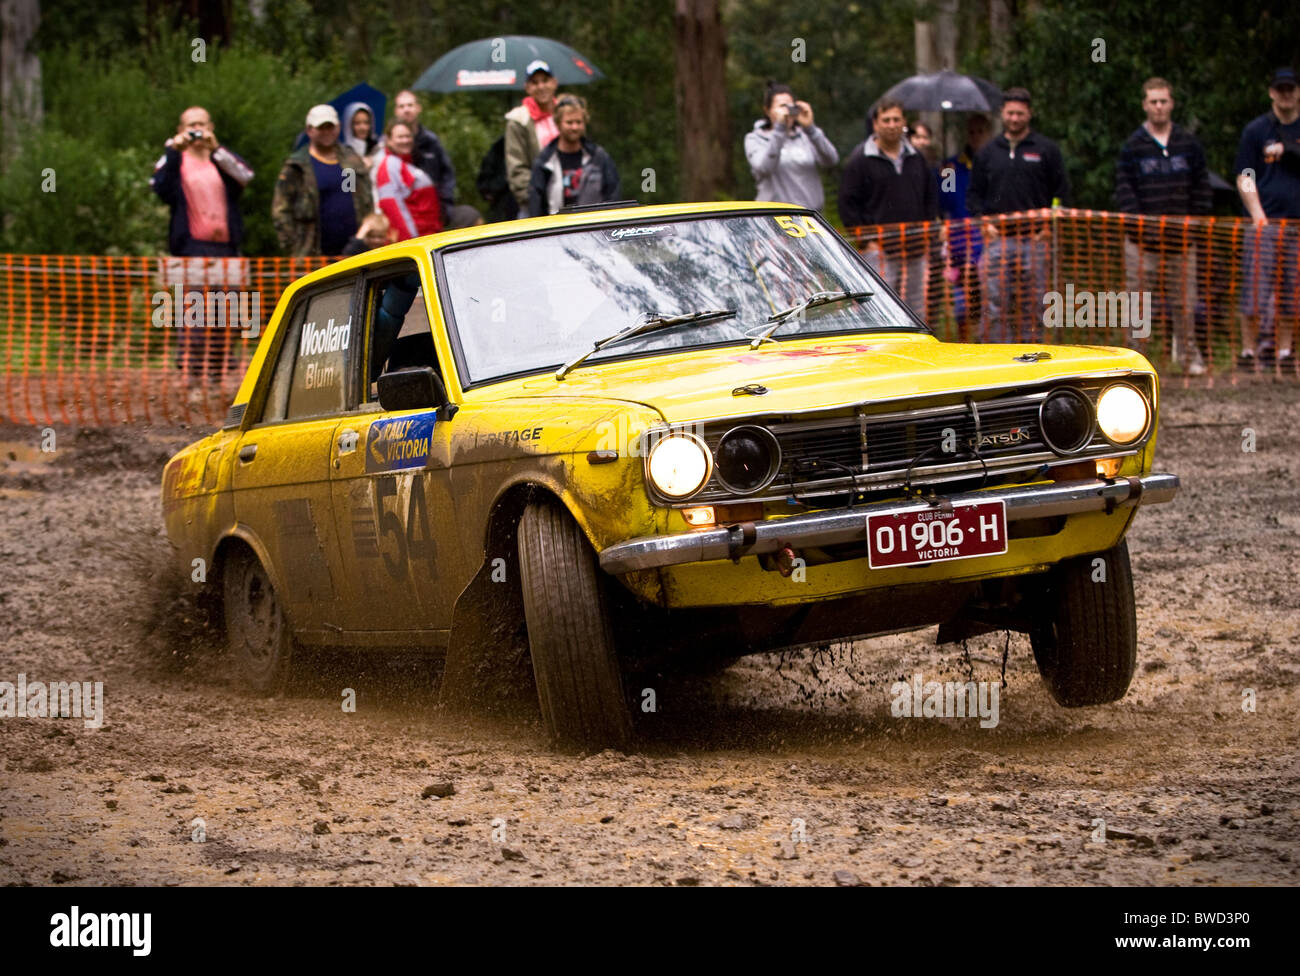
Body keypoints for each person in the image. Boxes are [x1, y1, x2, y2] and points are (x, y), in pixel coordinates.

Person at [1114, 77, 1213, 374]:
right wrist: (1141, 229)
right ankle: (1136, 361)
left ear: (1171, 104)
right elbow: (1124, 190)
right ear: (1145, 105)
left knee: (1185, 303)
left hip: (1182, 243)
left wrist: (1193, 226)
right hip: (1142, 245)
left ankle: (1188, 359)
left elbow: (1202, 188)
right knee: (1138, 305)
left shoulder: (1189, 144)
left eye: (1163, 101)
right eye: (1153, 101)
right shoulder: (1133, 146)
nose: (1159, 107)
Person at [150, 105, 254, 380]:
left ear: (211, 127)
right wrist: (174, 149)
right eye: (191, 125)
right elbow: (159, 186)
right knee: (195, 315)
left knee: (225, 316)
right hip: (191, 247)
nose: (197, 130)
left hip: (226, 248)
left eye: (202, 125)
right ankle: (192, 377)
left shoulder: (221, 159)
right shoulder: (174, 160)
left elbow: (245, 176)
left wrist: (216, 148)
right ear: (180, 130)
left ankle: (217, 376)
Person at [967, 87, 1069, 342]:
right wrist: (984, 224)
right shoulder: (987, 153)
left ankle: (1032, 358)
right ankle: (996, 359)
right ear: (1002, 113)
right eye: (1010, 113)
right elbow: (973, 195)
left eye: (1020, 114)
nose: (1014, 118)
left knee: (1035, 304)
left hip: (1035, 241)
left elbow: (1062, 193)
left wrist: (1049, 227)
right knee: (994, 303)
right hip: (998, 241)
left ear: (1029, 114)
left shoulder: (1046, 150)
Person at [838, 99, 938, 313]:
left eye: (896, 119)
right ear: (876, 124)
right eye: (886, 120)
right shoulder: (860, 160)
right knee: (881, 308)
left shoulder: (916, 157)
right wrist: (867, 241)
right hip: (880, 250)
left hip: (915, 247)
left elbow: (930, 196)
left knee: (916, 309)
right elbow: (847, 204)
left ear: (904, 122)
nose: (892, 124)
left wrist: (927, 233)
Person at [1234, 67, 1300, 373]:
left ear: (1297, 92)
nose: (1286, 94)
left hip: (1296, 226)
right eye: (1280, 89)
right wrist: (1257, 214)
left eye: (1291, 89)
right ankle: (1248, 353)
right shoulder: (1256, 130)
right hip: (1264, 223)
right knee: (1254, 289)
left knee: (1292, 291)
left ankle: (1285, 353)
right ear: (1272, 92)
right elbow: (1244, 176)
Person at [272, 104, 373, 257]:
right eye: (321, 128)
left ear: (338, 128)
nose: (326, 132)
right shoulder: (297, 166)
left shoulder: (350, 160)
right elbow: (281, 210)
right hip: (313, 255)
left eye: (330, 127)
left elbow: (357, 195)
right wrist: (294, 244)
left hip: (352, 252)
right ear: (310, 130)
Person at [393, 89, 481, 230]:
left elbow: (447, 172)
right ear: (396, 111)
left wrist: (444, 201)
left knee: (471, 216)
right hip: (406, 210)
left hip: (436, 206)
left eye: (410, 105)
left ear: (418, 108)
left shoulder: (431, 140)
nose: (406, 110)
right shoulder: (388, 148)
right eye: (402, 106)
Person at [744, 81, 839, 211]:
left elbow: (831, 160)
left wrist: (810, 129)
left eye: (791, 106)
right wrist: (779, 130)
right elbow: (764, 168)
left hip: (810, 216)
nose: (788, 111)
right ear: (767, 110)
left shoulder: (806, 136)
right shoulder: (755, 139)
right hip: (775, 217)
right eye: (782, 106)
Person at [939, 114, 992, 340]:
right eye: (972, 132)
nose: (976, 137)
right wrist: (945, 173)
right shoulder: (952, 166)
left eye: (980, 132)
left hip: (986, 234)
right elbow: (946, 199)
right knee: (961, 292)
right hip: (959, 236)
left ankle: (985, 337)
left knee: (985, 291)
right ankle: (963, 339)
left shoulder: (993, 163)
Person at [528, 95, 620, 216]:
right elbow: (535, 205)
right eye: (569, 122)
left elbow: (613, 195)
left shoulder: (599, 157)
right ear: (558, 123)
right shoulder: (545, 161)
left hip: (594, 228)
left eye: (579, 122)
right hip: (556, 230)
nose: (574, 127)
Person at [505, 60, 560, 217]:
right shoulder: (518, 121)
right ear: (527, 88)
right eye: (535, 83)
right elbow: (516, 168)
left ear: (554, 83)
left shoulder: (567, 114)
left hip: (570, 200)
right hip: (535, 206)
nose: (541, 87)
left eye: (545, 81)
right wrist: (535, 199)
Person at [373, 120, 443, 241]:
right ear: (389, 140)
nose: (405, 140)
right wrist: (410, 242)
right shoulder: (390, 165)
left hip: (429, 236)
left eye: (408, 136)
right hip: (416, 240)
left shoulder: (407, 162)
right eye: (400, 137)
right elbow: (392, 207)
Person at [340, 102, 383, 169]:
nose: (363, 127)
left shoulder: (378, 147)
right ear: (349, 125)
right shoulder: (342, 152)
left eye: (366, 122)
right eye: (357, 123)